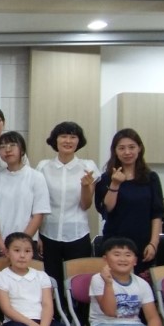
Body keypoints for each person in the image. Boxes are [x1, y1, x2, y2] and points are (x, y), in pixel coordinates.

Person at [36, 121, 100, 309]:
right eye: (63, 136)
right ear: (55, 140)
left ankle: (80, 320)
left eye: (73, 137)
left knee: (78, 281)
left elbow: (86, 205)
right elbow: (38, 203)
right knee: (52, 281)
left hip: (77, 232)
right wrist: (38, 235)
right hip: (49, 233)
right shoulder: (43, 167)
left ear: (79, 141)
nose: (68, 141)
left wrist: (86, 186)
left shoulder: (88, 166)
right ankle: (55, 317)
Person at [95, 129, 164, 277]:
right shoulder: (106, 178)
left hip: (143, 243)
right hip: (115, 243)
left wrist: (154, 243)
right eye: (121, 148)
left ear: (139, 148)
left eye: (131, 147)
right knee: (114, 283)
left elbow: (157, 213)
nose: (127, 152)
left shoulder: (151, 178)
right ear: (115, 151)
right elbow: (107, 209)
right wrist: (115, 184)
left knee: (142, 284)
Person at [0, 131, 50, 256]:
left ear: (22, 150)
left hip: (27, 245)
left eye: (12, 145)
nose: (7, 150)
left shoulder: (36, 177)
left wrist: (19, 247)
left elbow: (38, 215)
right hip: (1, 245)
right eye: (2, 147)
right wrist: (3, 247)